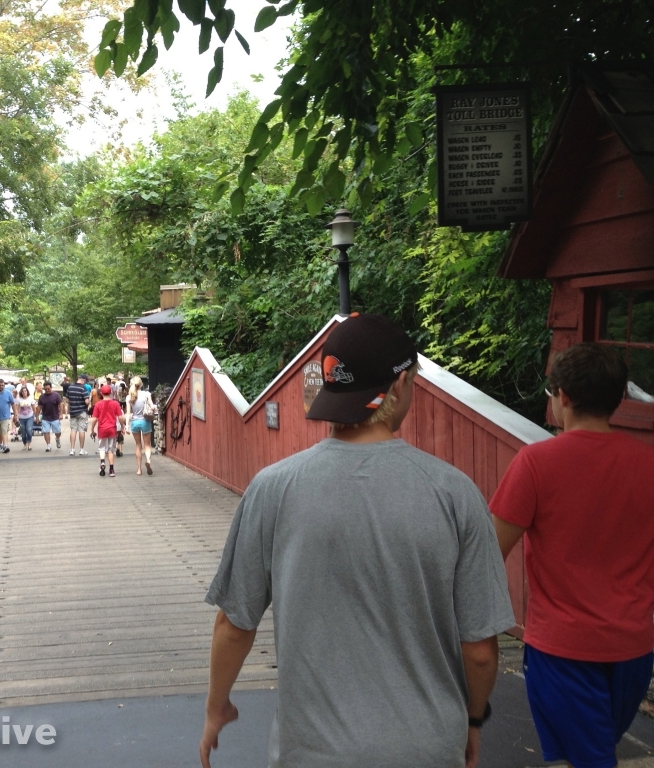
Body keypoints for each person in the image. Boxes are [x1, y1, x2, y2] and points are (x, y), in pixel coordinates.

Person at [200, 314, 514, 768]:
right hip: (427, 748)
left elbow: (234, 624)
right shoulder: (454, 493)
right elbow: (481, 652)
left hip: (311, 752)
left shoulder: (272, 488)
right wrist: (472, 721)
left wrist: (217, 706)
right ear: (402, 384)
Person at [489, 343, 654, 768]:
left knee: (590, 759)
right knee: (591, 751)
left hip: (563, 650)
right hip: (634, 648)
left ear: (561, 396)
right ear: (618, 398)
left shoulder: (536, 463)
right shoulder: (647, 463)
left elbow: (491, 550)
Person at [89, 384, 125, 477]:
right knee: (110, 450)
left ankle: (102, 462)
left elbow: (94, 419)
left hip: (102, 429)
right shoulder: (115, 404)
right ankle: (112, 470)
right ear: (111, 392)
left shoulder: (98, 404)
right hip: (112, 429)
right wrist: (122, 427)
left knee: (101, 448)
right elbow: (120, 417)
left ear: (101, 393)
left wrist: (92, 429)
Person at [127, 376, 155, 475]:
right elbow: (151, 407)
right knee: (147, 445)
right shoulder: (147, 394)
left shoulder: (129, 396)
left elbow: (128, 413)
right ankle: (148, 460)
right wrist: (153, 408)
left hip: (134, 422)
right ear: (141, 384)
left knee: (138, 445)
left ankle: (139, 469)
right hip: (145, 421)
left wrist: (126, 426)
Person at [36, 381, 64, 452]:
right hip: (45, 417)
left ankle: (57, 439)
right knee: (46, 431)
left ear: (51, 387)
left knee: (58, 432)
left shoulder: (56, 395)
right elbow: (39, 407)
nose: (47, 390)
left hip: (55, 416)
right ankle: (48, 445)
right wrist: (37, 417)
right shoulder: (42, 397)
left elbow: (61, 404)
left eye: (48, 389)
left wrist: (61, 414)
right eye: (45, 389)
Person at [66, 374, 90, 456]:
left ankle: (72, 450)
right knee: (81, 430)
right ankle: (81, 450)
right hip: (82, 412)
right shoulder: (83, 388)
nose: (85, 383)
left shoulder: (70, 387)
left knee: (73, 430)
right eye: (85, 381)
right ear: (83, 380)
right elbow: (87, 401)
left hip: (73, 411)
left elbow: (67, 400)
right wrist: (88, 402)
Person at [15, 386, 35, 450]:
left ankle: (29, 444)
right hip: (21, 417)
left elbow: (34, 408)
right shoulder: (18, 400)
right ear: (21, 392)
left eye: (25, 391)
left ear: (27, 392)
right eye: (23, 391)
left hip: (29, 416)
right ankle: (24, 444)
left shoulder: (30, 398)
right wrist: (16, 418)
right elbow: (17, 410)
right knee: (23, 432)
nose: (24, 392)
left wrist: (36, 416)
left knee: (29, 430)